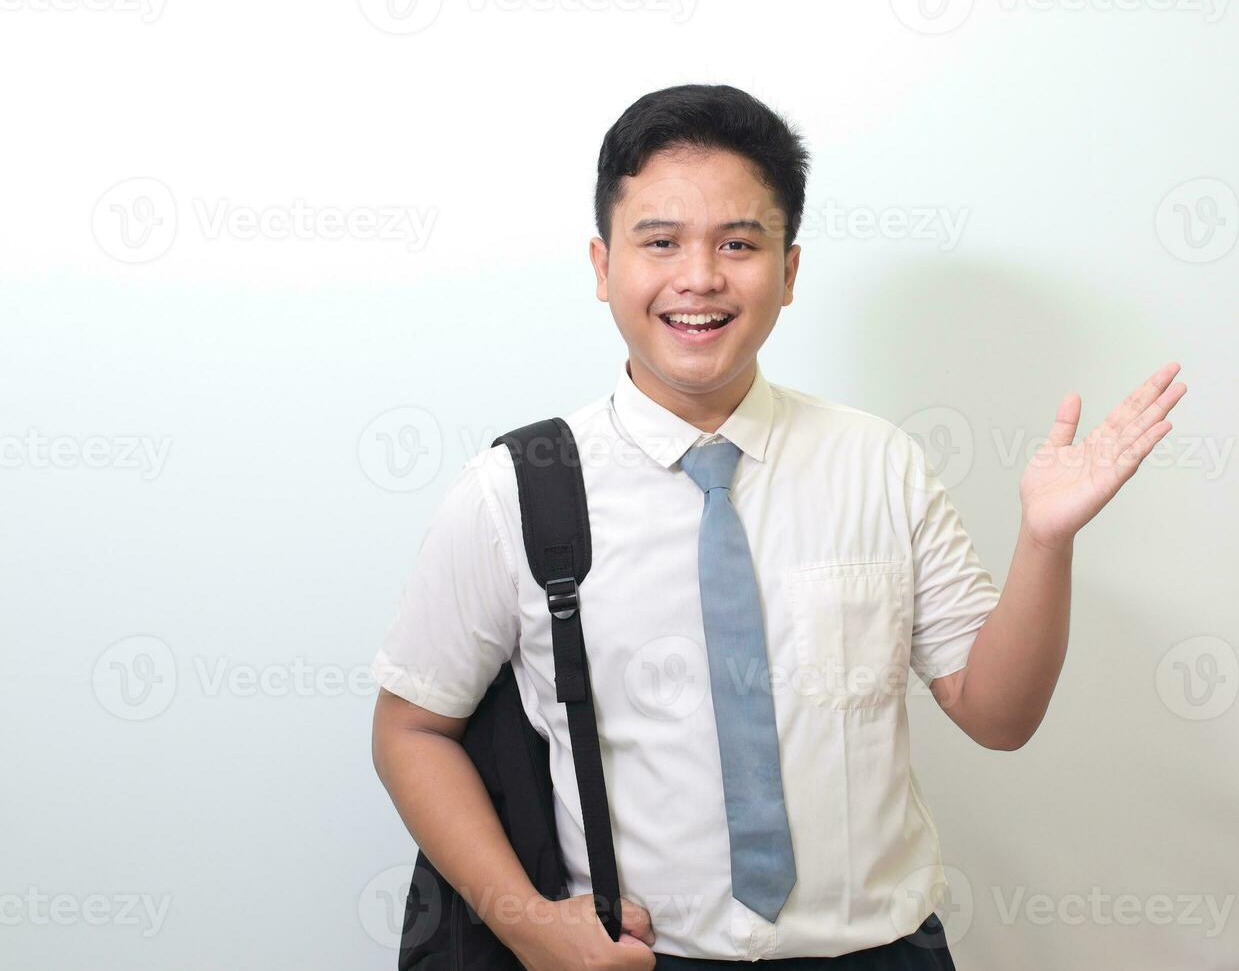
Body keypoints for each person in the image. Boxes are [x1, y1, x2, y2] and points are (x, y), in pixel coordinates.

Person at [370, 83, 1187, 969]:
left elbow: (999, 715)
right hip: (641, 958)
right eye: (661, 241)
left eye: (737, 243)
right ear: (603, 267)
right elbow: (411, 728)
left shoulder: (880, 464)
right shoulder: (515, 489)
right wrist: (529, 926)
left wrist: (1046, 542)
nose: (700, 277)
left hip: (882, 952)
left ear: (788, 271)